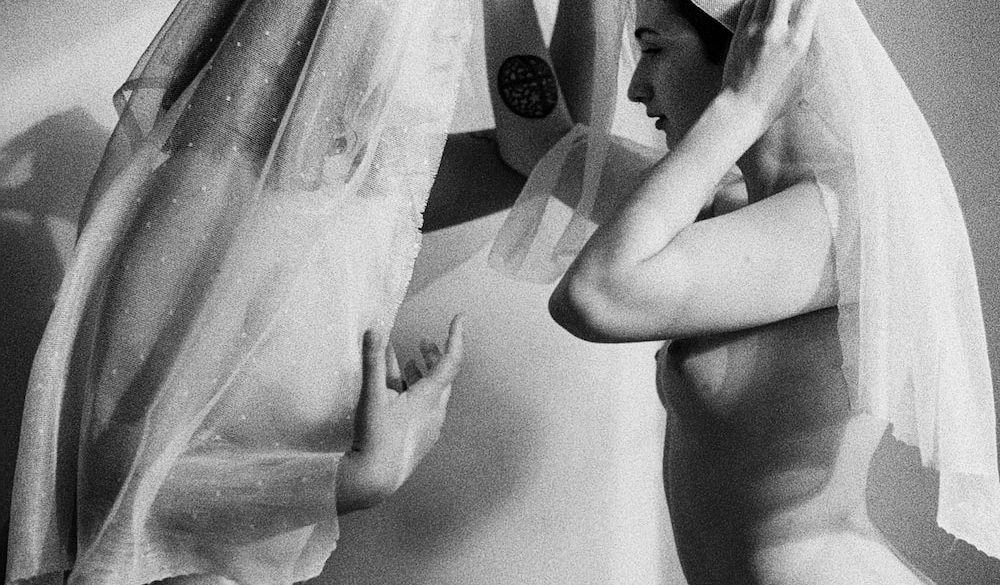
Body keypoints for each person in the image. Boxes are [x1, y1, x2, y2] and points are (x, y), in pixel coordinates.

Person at [533, 0, 1000, 583]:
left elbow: (593, 295)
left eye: (653, 48)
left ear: (748, 49)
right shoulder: (731, 203)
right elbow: (541, 147)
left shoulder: (850, 218)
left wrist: (745, 102)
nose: (635, 87)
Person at [6, 1, 467, 584]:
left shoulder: (350, 221)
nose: (451, 73)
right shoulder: (208, 194)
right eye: (440, 40)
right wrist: (359, 478)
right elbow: (119, 475)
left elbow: (526, 153)